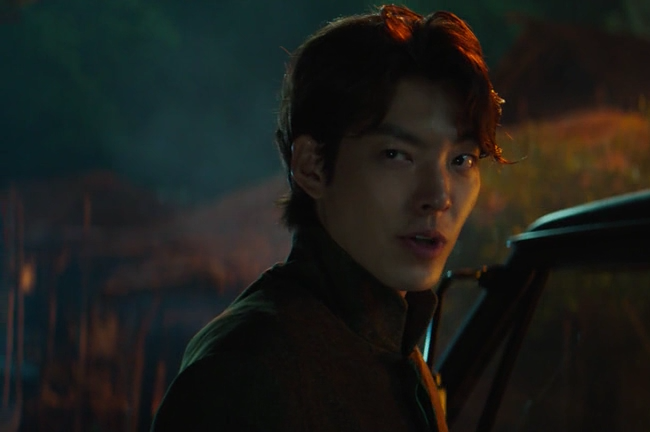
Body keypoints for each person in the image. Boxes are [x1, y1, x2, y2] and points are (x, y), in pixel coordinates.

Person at [150, 5, 505, 431]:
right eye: (397, 155)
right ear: (313, 166)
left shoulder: (393, 349)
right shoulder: (246, 371)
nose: (439, 197)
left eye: (462, 160)